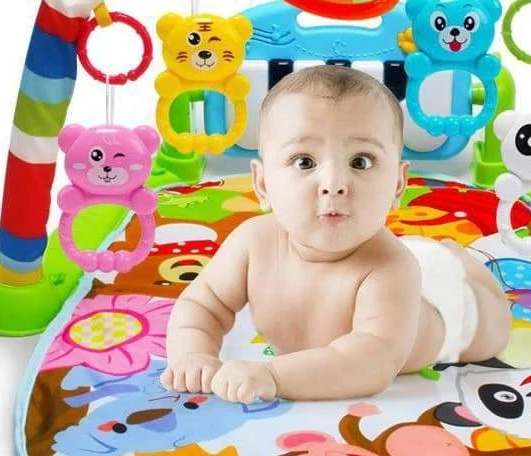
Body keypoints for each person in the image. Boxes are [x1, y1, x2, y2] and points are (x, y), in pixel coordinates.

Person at [161, 65, 511, 402]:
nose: (334, 184)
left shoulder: (389, 268)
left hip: (444, 304)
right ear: (263, 183)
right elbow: (202, 305)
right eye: (304, 162)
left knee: (492, 330)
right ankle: (444, 253)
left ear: (398, 183)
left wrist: (275, 376)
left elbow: (370, 362)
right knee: (428, 258)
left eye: (361, 161)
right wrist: (193, 355)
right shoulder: (252, 243)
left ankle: (462, 260)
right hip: (415, 257)